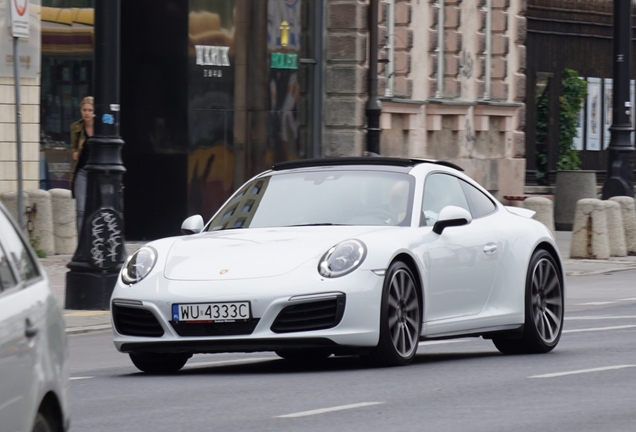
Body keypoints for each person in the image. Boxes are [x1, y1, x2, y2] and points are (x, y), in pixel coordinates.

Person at [70, 96, 94, 236]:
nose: (87, 113)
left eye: (90, 110)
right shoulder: (76, 128)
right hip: (82, 171)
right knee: (81, 210)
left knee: (96, 209)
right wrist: (74, 153)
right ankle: (81, 244)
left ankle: (93, 241)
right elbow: (73, 147)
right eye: (84, 110)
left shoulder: (102, 127)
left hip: (97, 173)